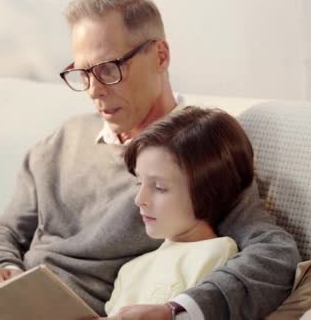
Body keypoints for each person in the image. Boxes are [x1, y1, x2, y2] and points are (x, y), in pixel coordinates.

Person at [0, 0, 300, 320]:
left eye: (108, 68)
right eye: (82, 73)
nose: (94, 90)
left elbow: (274, 255)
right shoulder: (60, 142)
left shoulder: (197, 151)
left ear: (160, 55)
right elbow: (4, 231)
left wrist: (177, 311)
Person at [105, 106, 252, 317]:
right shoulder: (130, 271)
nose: (139, 200)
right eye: (139, 183)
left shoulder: (216, 254)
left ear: (209, 190)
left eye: (159, 188)